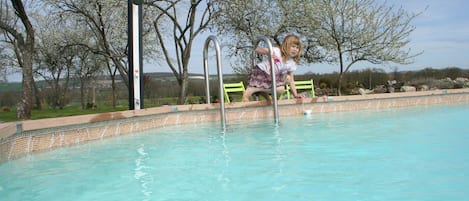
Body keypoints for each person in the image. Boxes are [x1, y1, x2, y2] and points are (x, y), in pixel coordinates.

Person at [242, 34, 304, 102]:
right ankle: (253, 91)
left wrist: (295, 95)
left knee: (282, 87)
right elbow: (257, 49)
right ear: (286, 46)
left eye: (297, 48)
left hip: (272, 77)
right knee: (246, 97)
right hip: (262, 72)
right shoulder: (277, 51)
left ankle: (258, 89)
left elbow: (291, 81)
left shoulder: (292, 63)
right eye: (293, 46)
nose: (295, 49)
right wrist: (269, 52)